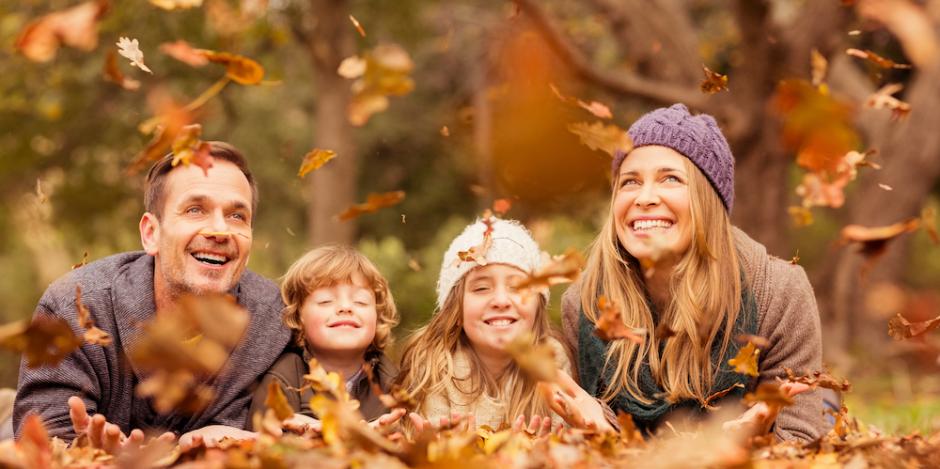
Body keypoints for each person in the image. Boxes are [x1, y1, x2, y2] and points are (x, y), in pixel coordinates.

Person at [560, 104, 827, 441]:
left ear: (708, 199)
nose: (644, 198)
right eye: (630, 182)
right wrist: (602, 436)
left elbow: (803, 440)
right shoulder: (583, 305)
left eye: (670, 178)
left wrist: (752, 447)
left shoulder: (779, 292)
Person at [13, 142, 291, 450]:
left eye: (237, 216)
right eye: (195, 210)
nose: (220, 231)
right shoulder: (76, 307)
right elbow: (40, 440)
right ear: (151, 233)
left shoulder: (277, 318)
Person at [396, 218, 573, 435]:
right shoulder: (435, 368)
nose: (501, 300)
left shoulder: (554, 362)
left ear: (538, 305)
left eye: (517, 287)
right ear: (457, 310)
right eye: (481, 288)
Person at [248, 245, 402, 428]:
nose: (346, 307)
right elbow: (257, 442)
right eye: (325, 301)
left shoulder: (392, 381)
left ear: (377, 316)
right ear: (299, 316)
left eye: (360, 301)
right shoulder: (284, 378)